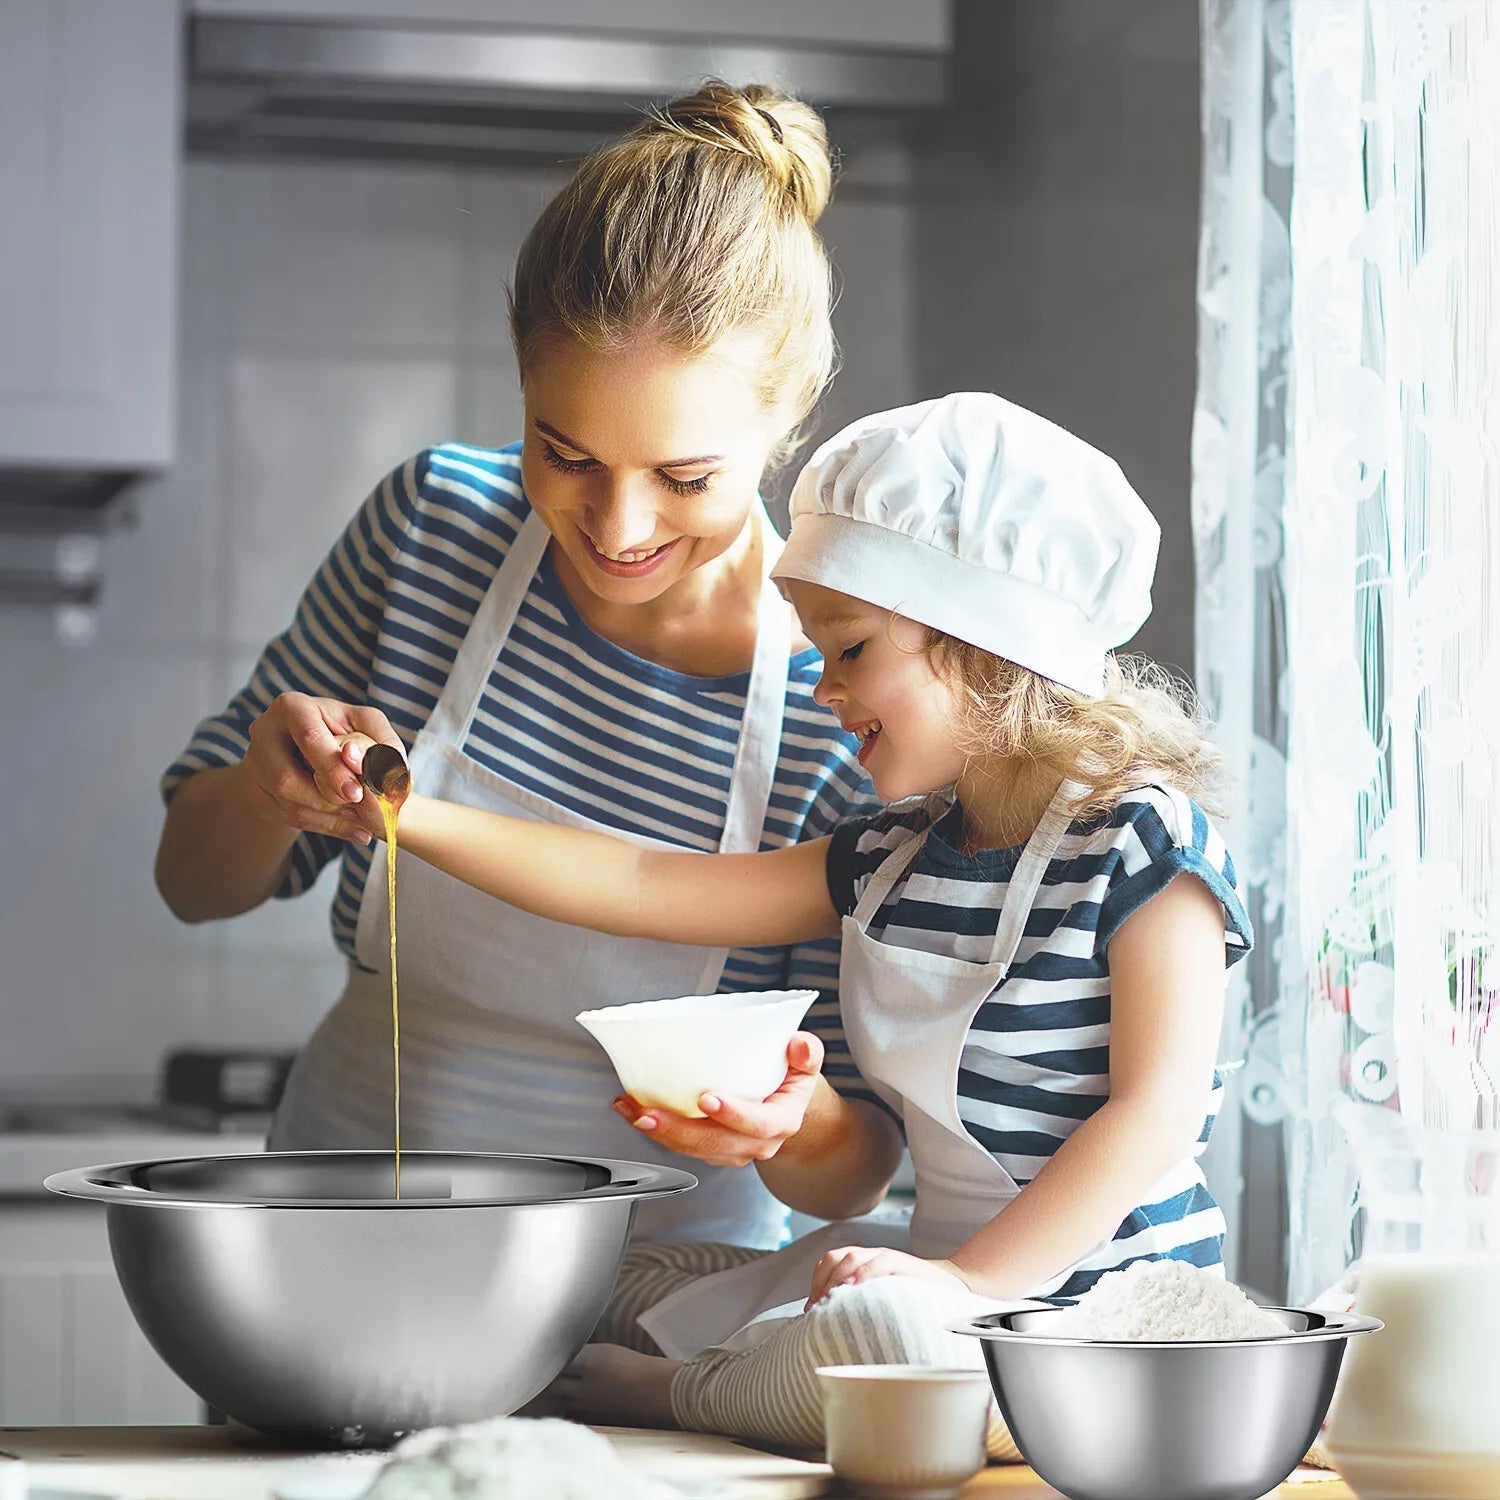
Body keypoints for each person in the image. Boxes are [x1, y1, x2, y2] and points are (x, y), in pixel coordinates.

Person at [340, 392, 1255, 1456]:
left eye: (850, 650)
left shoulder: (1145, 843)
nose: (824, 689)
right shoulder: (893, 854)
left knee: (887, 1342)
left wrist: (964, 1284)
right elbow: (643, 882)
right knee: (607, 1280)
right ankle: (748, 1365)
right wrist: (405, 813)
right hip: (931, 1277)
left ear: (982, 640)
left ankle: (682, 1393)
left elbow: (1153, 1116)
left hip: (1108, 1326)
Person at [153, 83, 895, 1284]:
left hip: (649, 1307)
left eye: (685, 478)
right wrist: (260, 789)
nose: (617, 526)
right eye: (567, 453)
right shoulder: (433, 531)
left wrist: (786, 1124)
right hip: (338, 1250)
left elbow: (854, 1165)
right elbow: (192, 884)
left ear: (789, 419)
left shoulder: (841, 691)